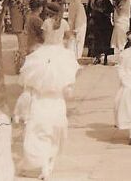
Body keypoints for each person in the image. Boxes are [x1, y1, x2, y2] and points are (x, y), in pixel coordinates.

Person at [19, 41, 78, 180]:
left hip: (39, 109)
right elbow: (69, 95)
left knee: (39, 138)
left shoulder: (33, 78)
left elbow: (26, 96)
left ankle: (44, 165)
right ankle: (49, 164)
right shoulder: (61, 78)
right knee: (54, 139)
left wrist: (21, 113)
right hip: (57, 108)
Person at [89, 0, 114, 65]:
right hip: (98, 24)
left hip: (105, 23)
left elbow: (110, 10)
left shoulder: (105, 1)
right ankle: (98, 57)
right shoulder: (94, 1)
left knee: (106, 41)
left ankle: (106, 57)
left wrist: (101, 10)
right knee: (98, 41)